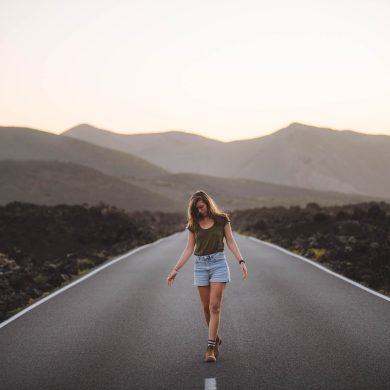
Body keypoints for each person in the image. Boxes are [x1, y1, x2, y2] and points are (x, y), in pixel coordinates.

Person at [166, 190, 248, 363]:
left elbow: (231, 241)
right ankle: (216, 338)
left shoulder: (222, 220)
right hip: (200, 266)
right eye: (196, 209)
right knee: (205, 307)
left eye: (201, 207)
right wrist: (176, 269)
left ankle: (210, 347)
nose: (199, 211)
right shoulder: (193, 224)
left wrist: (241, 261)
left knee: (214, 306)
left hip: (218, 264)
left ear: (208, 204)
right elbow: (189, 249)